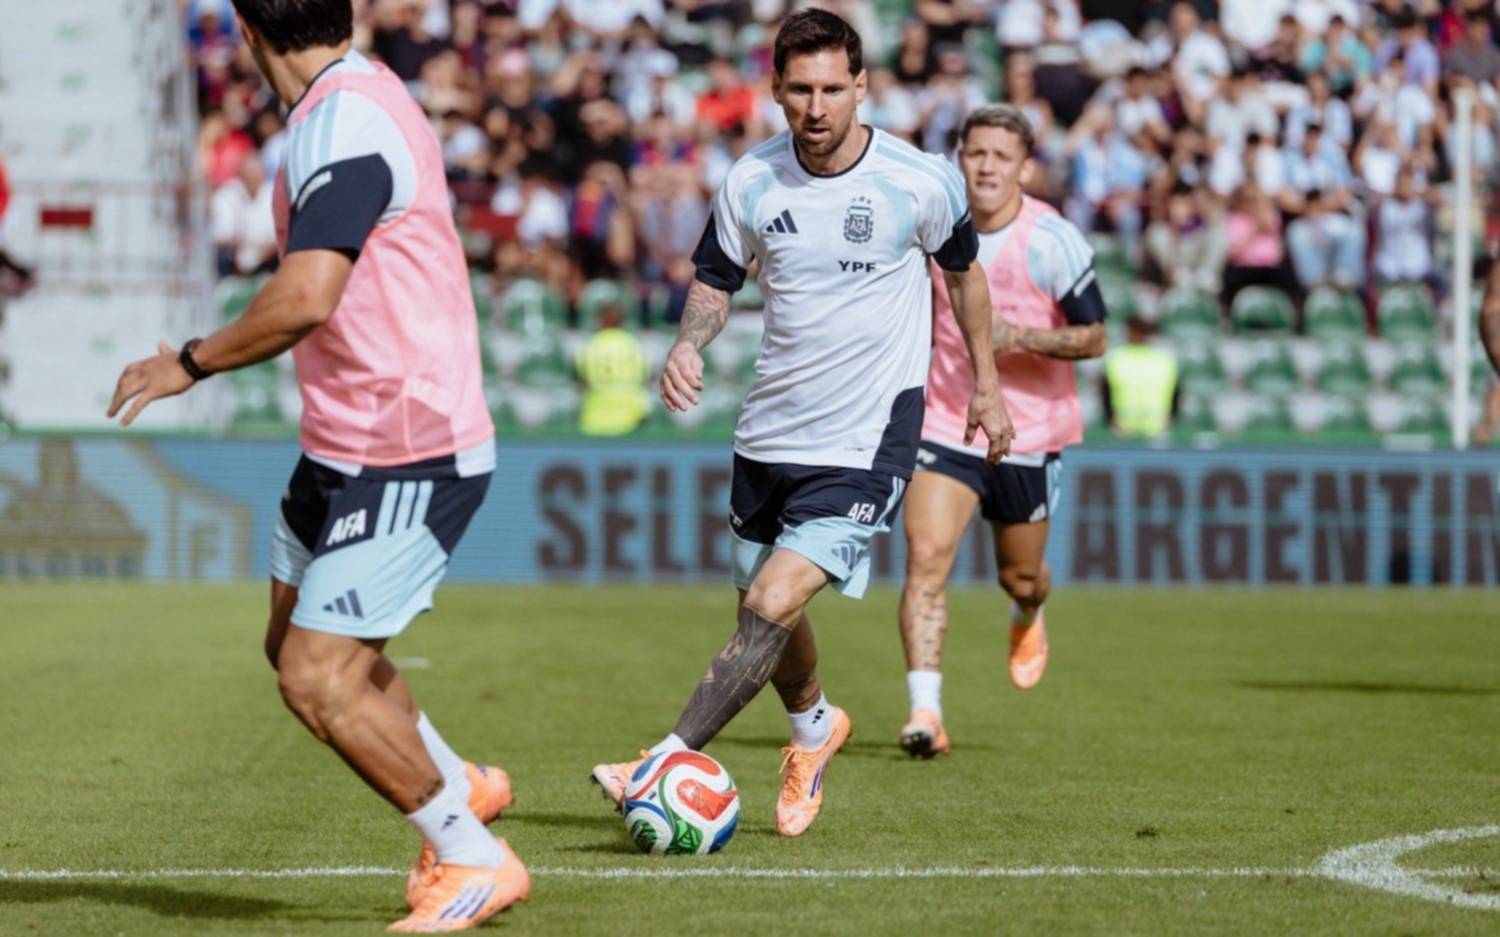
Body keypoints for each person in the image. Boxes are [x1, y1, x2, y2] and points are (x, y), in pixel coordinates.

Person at [106, 2, 526, 930]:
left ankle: (472, 855)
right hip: (342, 442)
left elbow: (307, 293)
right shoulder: (342, 105)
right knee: (292, 644)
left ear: (249, 34)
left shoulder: (345, 122)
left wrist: (187, 360)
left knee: (318, 675)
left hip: (407, 444)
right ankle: (464, 785)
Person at [589, 8, 1012, 836]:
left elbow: (964, 279)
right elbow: (716, 278)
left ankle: (662, 758)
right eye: (800, 92)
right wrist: (686, 344)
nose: (817, 108)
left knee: (774, 599)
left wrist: (987, 387)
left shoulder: (919, 180)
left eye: (832, 89)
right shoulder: (751, 180)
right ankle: (814, 729)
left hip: (867, 437)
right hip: (770, 430)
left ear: (862, 86)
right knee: (764, 609)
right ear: (776, 91)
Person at [896, 105, 1107, 758]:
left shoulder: (1053, 239)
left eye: (1000, 155)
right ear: (961, 158)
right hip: (947, 418)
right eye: (975, 152)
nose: (985, 165)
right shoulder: (936, 227)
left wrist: (1025, 337)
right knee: (926, 559)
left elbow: (1097, 334)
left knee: (1019, 576)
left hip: (1030, 430)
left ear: (1025, 167)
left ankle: (1027, 611)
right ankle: (926, 712)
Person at [577, 302, 649, 436]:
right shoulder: (632, 343)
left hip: (595, 416)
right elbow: (644, 375)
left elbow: (583, 379)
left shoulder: (592, 344)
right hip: (630, 416)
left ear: (600, 320)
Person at [1103, 314, 1179, 438]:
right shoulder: (1116, 356)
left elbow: (1176, 390)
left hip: (1155, 429)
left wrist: (1171, 418)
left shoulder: (1116, 356)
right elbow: (1106, 389)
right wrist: (1110, 417)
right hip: (1125, 429)